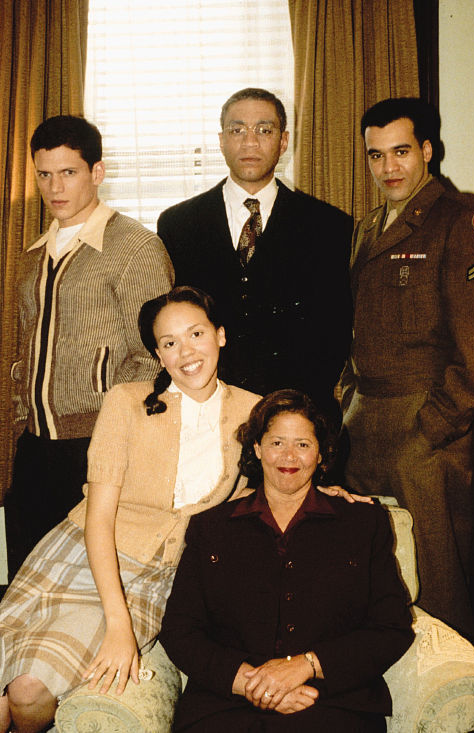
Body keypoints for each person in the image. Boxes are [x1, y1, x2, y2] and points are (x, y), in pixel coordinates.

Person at [0, 287, 359, 733]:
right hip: (81, 557)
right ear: (157, 354)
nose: (186, 352)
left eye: (196, 334)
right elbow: (99, 517)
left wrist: (332, 491)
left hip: (159, 576)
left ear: (220, 336)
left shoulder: (252, 411)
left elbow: (283, 469)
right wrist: (118, 626)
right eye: (169, 343)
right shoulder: (126, 402)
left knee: (27, 692)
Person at [161, 389, 413, 732]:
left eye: (303, 445)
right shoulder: (211, 528)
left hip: (331, 702)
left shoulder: (362, 525)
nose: (289, 456)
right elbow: (180, 630)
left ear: (321, 454)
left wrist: (307, 665)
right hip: (227, 706)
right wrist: (253, 683)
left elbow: (391, 627)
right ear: (256, 448)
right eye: (277, 442)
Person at [339, 97, 474, 639]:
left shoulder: (460, 221)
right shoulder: (370, 225)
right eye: (376, 156)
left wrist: (430, 435)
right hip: (366, 427)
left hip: (428, 428)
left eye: (401, 152)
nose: (389, 168)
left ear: (427, 150)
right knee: (374, 580)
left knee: (439, 588)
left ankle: (455, 711)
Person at [6, 114, 174, 578]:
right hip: (35, 447)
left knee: (88, 584)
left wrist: (117, 435)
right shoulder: (33, 254)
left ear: (96, 172)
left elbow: (153, 357)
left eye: (69, 172)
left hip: (97, 447)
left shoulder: (135, 247)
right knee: (28, 581)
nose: (55, 187)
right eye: (45, 174)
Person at [157, 88, 353, 421]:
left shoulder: (329, 225)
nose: (250, 142)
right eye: (237, 130)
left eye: (264, 130)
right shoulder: (178, 224)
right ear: (221, 140)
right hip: (204, 413)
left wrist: (293, 411)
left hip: (298, 415)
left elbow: (334, 331)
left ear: (284, 140)